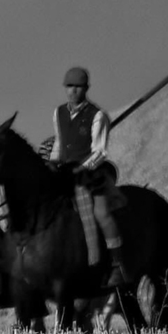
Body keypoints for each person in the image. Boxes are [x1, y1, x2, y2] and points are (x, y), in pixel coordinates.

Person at [49, 66, 127, 287]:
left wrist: (81, 168)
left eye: (78, 87)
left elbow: (100, 151)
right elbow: (59, 141)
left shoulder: (97, 115)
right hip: (65, 172)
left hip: (92, 175)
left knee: (101, 214)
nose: (73, 91)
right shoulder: (59, 113)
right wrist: (53, 163)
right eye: (69, 87)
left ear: (86, 88)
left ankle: (116, 266)